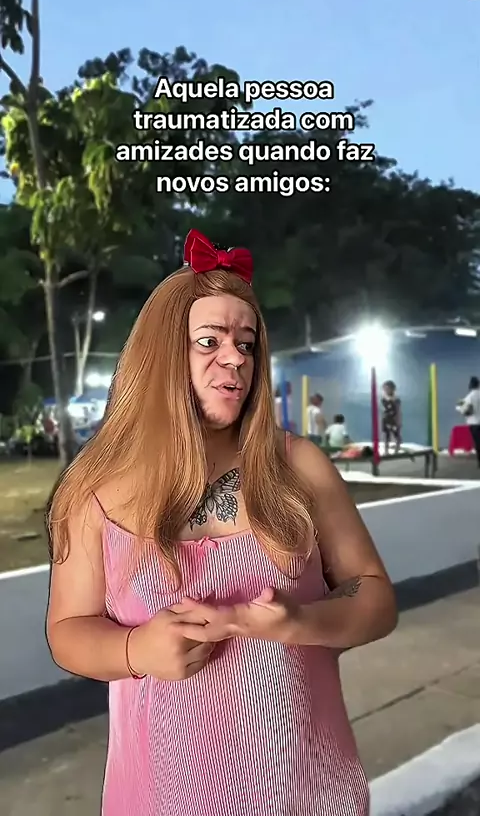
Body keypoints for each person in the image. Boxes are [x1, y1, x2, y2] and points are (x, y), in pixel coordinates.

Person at [46, 228, 397, 816]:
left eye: (247, 344)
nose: (235, 358)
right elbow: (67, 630)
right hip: (162, 798)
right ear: (160, 357)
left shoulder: (299, 466)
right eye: (208, 341)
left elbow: (376, 597)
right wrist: (136, 650)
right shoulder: (95, 490)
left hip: (306, 794)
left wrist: (301, 621)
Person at [458, 376, 480, 467]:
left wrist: (459, 404)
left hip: (474, 423)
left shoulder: (469, 396)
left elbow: (461, 408)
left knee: (478, 444)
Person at [381, 380, 402, 454]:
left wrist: (398, 422)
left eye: (387, 388)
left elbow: (398, 411)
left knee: (396, 434)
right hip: (386, 418)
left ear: (392, 389)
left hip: (394, 419)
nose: (386, 390)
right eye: (385, 389)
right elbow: (384, 408)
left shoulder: (396, 400)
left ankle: (397, 448)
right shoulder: (383, 399)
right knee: (386, 434)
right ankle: (386, 450)